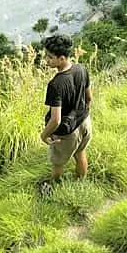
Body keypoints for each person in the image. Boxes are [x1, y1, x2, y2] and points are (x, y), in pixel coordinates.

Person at [40, 33, 92, 183]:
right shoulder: (82, 69)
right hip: (85, 122)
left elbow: (56, 120)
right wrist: (81, 116)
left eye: (50, 57)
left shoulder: (55, 85)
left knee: (57, 163)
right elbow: (89, 98)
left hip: (67, 132)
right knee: (81, 153)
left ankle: (54, 186)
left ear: (61, 58)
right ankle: (80, 183)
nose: (46, 60)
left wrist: (44, 136)